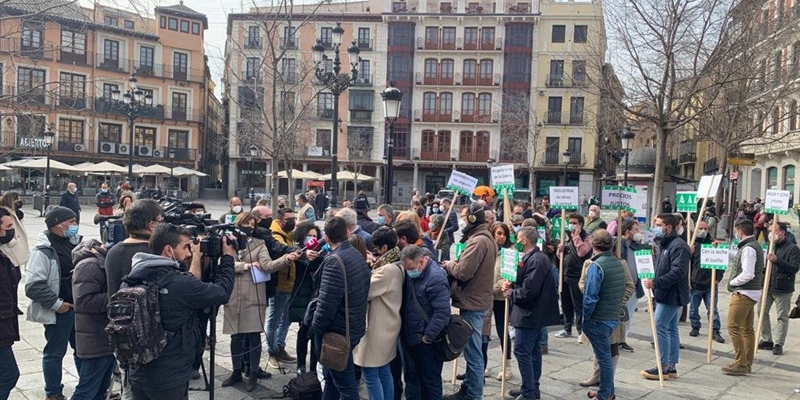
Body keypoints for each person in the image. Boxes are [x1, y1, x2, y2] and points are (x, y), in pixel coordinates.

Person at [125, 223, 235, 399]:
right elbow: (221, 293)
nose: (189, 253)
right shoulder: (179, 283)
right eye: (185, 247)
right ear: (169, 250)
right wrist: (228, 259)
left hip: (137, 372)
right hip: (170, 377)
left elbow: (189, 286)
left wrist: (198, 258)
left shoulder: (133, 277)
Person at [222, 213, 299, 391]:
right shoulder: (228, 242)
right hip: (233, 294)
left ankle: (253, 373)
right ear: (238, 223)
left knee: (253, 335)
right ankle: (236, 371)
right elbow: (223, 263)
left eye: (252, 224)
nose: (249, 226)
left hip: (253, 295)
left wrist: (286, 259)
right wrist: (245, 266)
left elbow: (268, 266)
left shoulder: (259, 244)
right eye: (246, 223)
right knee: (236, 336)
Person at [311, 217, 371, 399]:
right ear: (347, 232)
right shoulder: (358, 256)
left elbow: (326, 303)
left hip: (336, 333)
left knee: (346, 387)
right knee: (331, 379)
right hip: (352, 327)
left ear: (327, 238)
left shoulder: (335, 261)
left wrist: (315, 328)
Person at [24, 206, 81, 400]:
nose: (75, 225)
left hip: (79, 308)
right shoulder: (43, 251)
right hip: (61, 311)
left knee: (82, 351)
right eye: (71, 222)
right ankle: (53, 392)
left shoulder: (73, 243)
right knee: (55, 353)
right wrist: (58, 305)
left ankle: (89, 385)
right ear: (58, 224)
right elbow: (33, 286)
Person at [441, 204, 497, 400]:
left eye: (464, 216)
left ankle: (473, 394)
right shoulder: (483, 238)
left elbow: (463, 271)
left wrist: (449, 265)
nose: (462, 220)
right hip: (476, 299)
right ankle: (469, 389)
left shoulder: (478, 241)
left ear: (473, 219)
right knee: (473, 350)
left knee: (473, 353)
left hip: (473, 302)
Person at [502, 227, 560, 400]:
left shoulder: (536, 260)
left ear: (525, 239)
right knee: (533, 351)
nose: (516, 241)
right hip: (531, 312)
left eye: (519, 238)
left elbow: (529, 291)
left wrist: (510, 293)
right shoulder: (533, 257)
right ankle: (531, 387)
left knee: (522, 351)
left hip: (530, 313)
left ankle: (529, 392)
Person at [353, 226, 404, 400]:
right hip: (388, 324)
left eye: (376, 248)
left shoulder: (386, 270)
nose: (374, 251)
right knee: (383, 369)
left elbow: (365, 291)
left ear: (384, 248)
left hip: (378, 327)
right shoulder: (396, 262)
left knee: (370, 371)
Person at [579, 230, 629, 400]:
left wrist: (586, 318)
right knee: (606, 356)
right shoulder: (617, 262)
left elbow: (590, 296)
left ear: (593, 245)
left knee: (604, 359)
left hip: (599, 318)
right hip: (611, 316)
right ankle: (607, 391)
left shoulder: (596, 265)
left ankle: (605, 394)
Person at [640, 213, 690, 380]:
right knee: (671, 328)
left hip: (671, 294)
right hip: (667, 293)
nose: (656, 227)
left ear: (668, 227)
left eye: (659, 224)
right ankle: (671, 366)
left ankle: (663, 366)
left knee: (660, 326)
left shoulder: (678, 246)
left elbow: (677, 272)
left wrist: (656, 283)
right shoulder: (665, 243)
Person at [399, 245, 450, 400]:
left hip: (428, 341)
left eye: (410, 268)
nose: (408, 272)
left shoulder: (435, 278)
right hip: (413, 335)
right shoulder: (415, 273)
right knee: (415, 377)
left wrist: (428, 336)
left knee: (430, 380)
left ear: (421, 262)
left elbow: (442, 313)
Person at [71, 239, 117, 400]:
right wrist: (118, 294)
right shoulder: (90, 265)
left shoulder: (104, 260)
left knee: (100, 391)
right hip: (95, 339)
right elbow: (84, 301)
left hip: (105, 337)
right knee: (86, 391)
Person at [722, 219, 764, 376]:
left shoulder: (748, 248)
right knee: (747, 329)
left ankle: (740, 362)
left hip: (744, 292)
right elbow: (740, 257)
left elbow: (748, 273)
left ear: (740, 231)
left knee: (733, 326)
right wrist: (725, 250)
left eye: (736, 231)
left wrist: (732, 283)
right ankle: (747, 362)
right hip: (751, 292)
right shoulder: (752, 246)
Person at [106, 200, 164, 297]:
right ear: (151, 225)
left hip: (116, 310)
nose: (162, 225)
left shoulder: (113, 251)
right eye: (160, 221)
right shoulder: (156, 252)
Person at [758, 222, 800, 356]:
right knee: (761, 312)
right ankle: (767, 339)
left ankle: (778, 343)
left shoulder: (792, 248)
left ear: (782, 232)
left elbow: (794, 268)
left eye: (774, 231)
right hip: (767, 285)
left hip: (783, 287)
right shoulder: (769, 246)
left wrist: (777, 260)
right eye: (769, 231)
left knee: (782, 316)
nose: (771, 234)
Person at [268, 207, 301, 367]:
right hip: (279, 284)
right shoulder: (276, 235)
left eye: (293, 218)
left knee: (286, 319)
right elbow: (282, 250)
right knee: (274, 319)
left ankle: (280, 347)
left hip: (289, 283)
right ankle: (272, 351)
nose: (292, 221)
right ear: (280, 220)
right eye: (289, 219)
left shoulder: (288, 234)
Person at [291, 222, 324, 375]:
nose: (312, 238)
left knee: (314, 331)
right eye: (309, 235)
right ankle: (300, 364)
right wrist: (306, 255)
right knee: (303, 331)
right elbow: (301, 264)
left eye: (314, 236)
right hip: (302, 295)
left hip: (316, 295)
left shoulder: (321, 251)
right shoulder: (298, 250)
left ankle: (313, 366)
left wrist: (319, 257)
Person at [555, 214, 593, 343]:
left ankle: (581, 331)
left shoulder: (587, 238)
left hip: (577, 275)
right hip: (566, 273)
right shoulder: (567, 236)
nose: (571, 224)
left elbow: (582, 252)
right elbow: (562, 257)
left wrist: (576, 237)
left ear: (580, 225)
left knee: (578, 305)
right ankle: (567, 327)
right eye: (570, 222)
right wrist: (560, 251)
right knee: (565, 303)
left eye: (574, 222)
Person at [688, 221, 725, 343]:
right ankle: (695, 326)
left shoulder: (713, 244)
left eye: (705, 228)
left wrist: (717, 279)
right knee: (693, 308)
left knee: (712, 309)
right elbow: (687, 264)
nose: (703, 230)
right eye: (701, 228)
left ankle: (715, 330)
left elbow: (720, 264)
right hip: (695, 283)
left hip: (710, 284)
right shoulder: (692, 244)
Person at [0, 208, 21, 399]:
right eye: (8, 227)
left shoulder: (4, 254)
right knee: (8, 375)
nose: (12, 231)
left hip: (6, 324)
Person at [490, 223, 513, 381]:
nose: (501, 237)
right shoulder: (487, 249)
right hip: (484, 296)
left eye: (504, 234)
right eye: (498, 233)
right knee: (483, 333)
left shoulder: (509, 253)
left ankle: (507, 365)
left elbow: (508, 277)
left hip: (500, 297)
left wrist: (497, 287)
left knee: (502, 331)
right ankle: (482, 364)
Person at [619, 219, 645, 353]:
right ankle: (615, 339)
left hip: (634, 287)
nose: (638, 232)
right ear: (627, 231)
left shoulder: (638, 247)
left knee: (628, 316)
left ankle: (623, 339)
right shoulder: (618, 245)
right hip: (621, 287)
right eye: (635, 230)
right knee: (619, 315)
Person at [0, 192, 30, 285]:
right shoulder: (5, 213)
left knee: (15, 278)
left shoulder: (15, 212)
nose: (19, 201)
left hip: (15, 252)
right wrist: (12, 241)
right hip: (10, 251)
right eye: (17, 199)